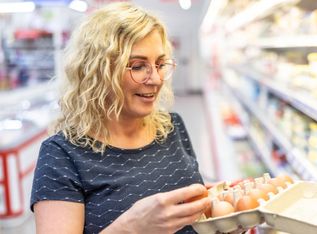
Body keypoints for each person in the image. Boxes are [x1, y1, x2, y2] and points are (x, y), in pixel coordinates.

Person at [30, 2, 211, 234]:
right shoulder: (62, 155)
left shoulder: (172, 126)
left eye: (160, 64)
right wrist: (131, 228)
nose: (156, 79)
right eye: (138, 66)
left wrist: (214, 213)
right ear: (98, 71)